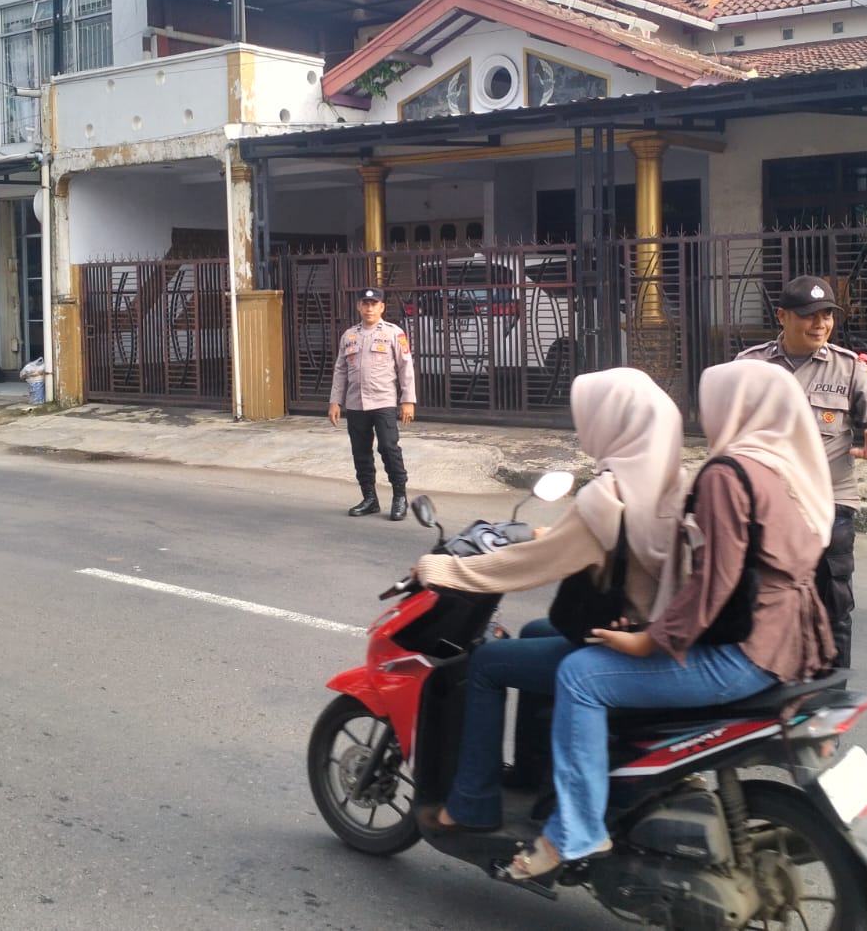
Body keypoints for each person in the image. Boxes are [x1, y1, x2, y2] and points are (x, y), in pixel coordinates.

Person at [506, 360, 836, 881]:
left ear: (737, 407)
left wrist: (651, 641)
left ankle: (576, 831)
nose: (705, 414)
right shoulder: (785, 469)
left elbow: (715, 582)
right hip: (791, 643)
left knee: (579, 675)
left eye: (712, 402)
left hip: (742, 655)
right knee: (558, 645)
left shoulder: (726, 475)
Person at [413, 367, 686, 834]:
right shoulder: (670, 477)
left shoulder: (608, 495)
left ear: (615, 422)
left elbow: (526, 567)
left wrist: (438, 569)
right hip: (649, 626)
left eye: (590, 416)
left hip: (626, 645)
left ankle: (471, 804)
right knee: (535, 631)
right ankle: (531, 772)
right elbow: (595, 544)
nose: (583, 427)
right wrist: (551, 536)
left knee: (488, 663)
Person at [735, 275, 867, 669]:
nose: (821, 324)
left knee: (833, 611)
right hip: (766, 508)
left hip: (829, 506)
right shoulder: (750, 366)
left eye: (827, 315)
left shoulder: (849, 368)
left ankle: (830, 699)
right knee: (761, 605)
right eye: (809, 315)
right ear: (782, 316)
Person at [327, 286, 416, 521]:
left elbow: (406, 367)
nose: (369, 308)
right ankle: (369, 499)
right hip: (356, 404)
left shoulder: (394, 333)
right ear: (359, 306)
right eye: (365, 304)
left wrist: (407, 400)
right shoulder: (349, 336)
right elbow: (340, 370)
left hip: (383, 401)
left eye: (374, 304)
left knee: (388, 448)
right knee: (361, 452)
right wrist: (335, 401)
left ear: (382, 307)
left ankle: (400, 497)